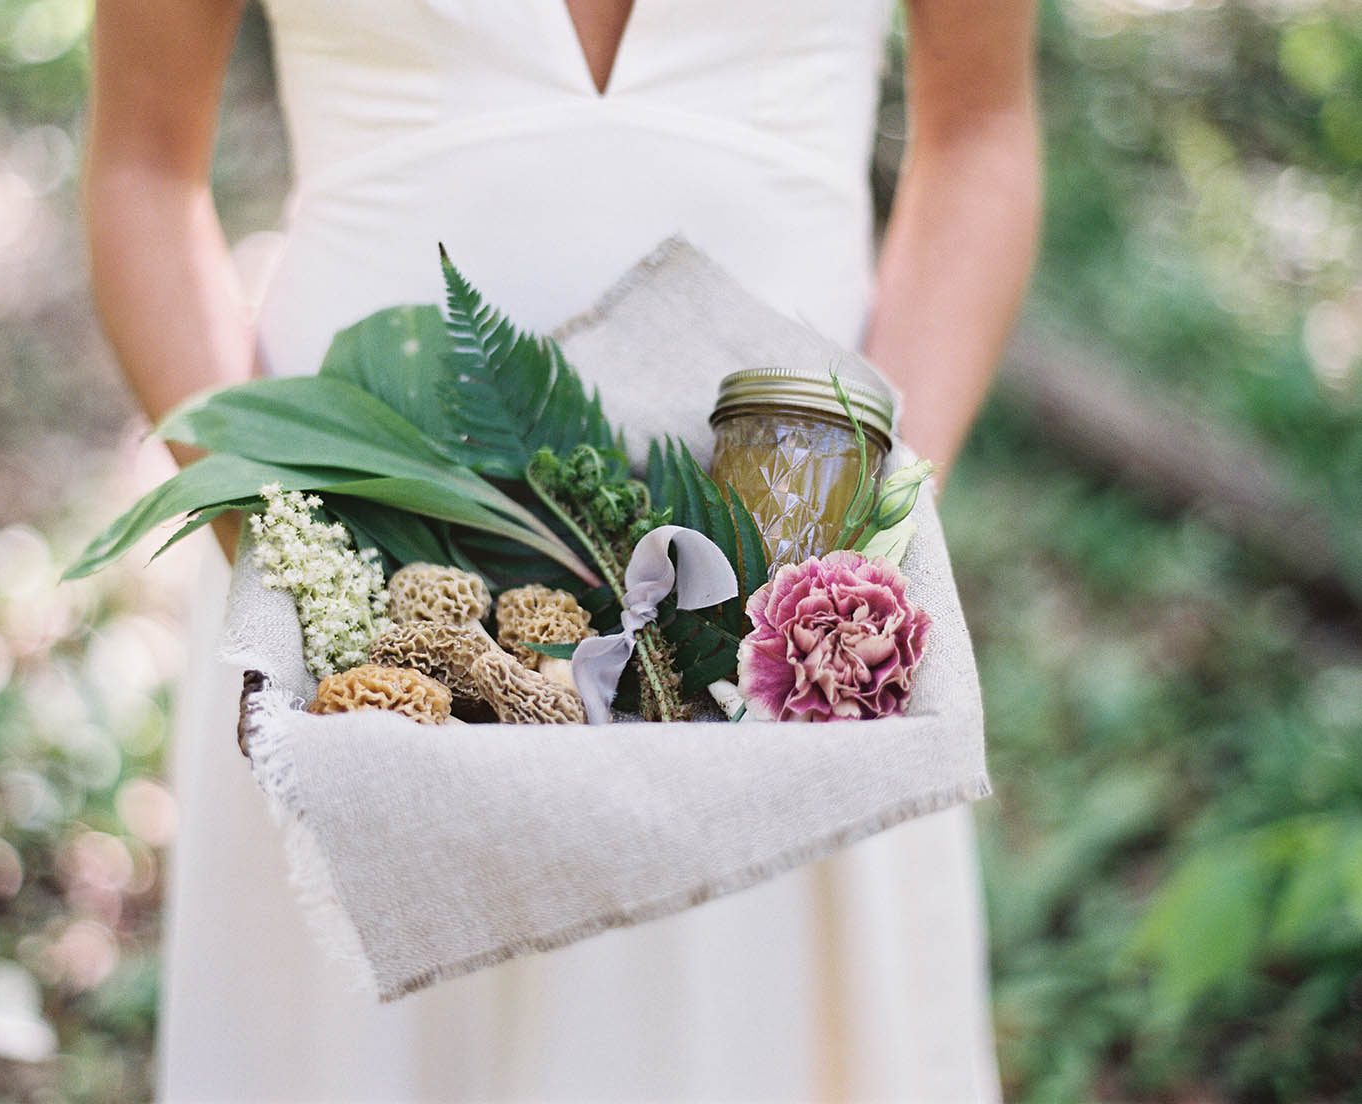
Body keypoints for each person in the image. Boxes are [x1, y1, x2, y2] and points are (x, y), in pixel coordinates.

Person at [84, 0, 1039, 1099]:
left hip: (794, 619)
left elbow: (980, 126)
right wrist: (293, 567)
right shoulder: (326, 599)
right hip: (353, 603)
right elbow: (145, 166)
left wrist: (850, 550)